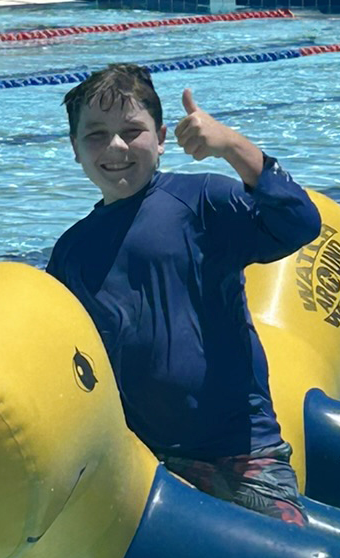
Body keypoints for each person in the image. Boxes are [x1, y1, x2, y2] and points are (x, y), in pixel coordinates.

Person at [46, 62, 322, 524]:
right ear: (75, 149)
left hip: (240, 459)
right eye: (96, 134)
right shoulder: (71, 251)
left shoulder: (200, 201)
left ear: (160, 137)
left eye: (132, 131)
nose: (115, 146)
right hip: (141, 464)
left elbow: (299, 222)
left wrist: (232, 145)